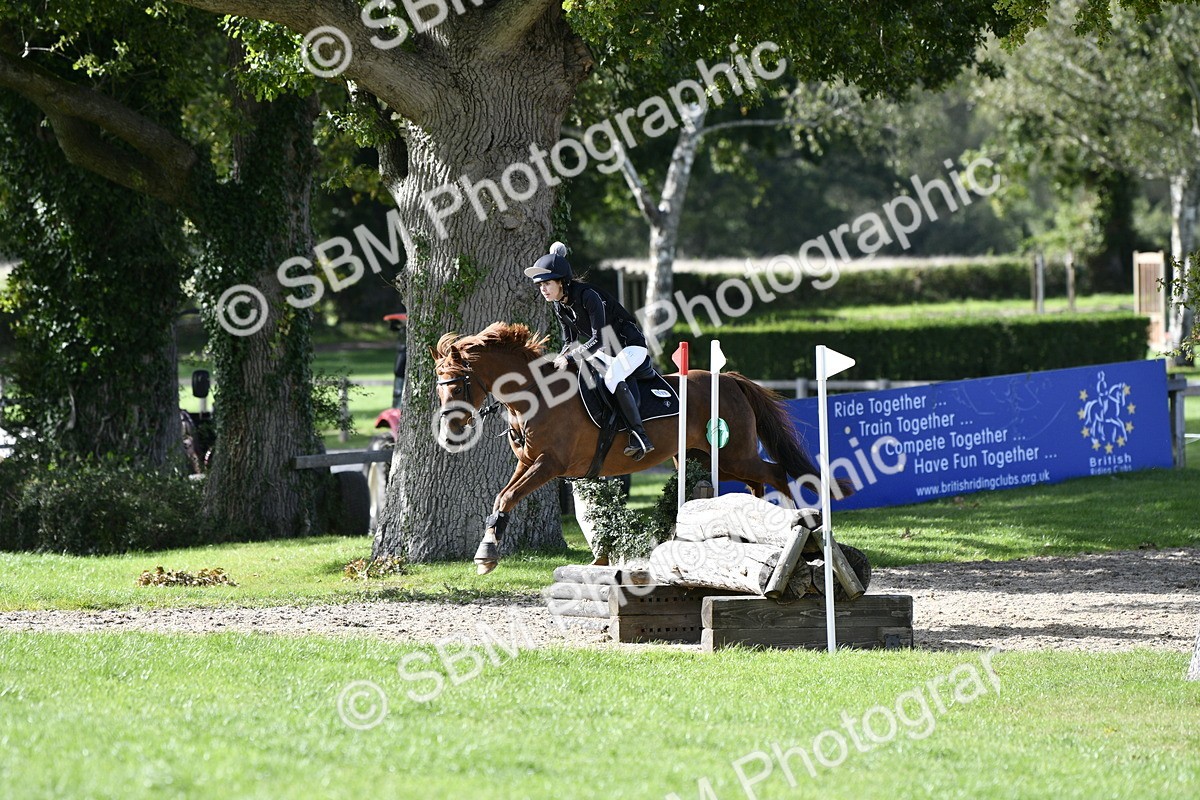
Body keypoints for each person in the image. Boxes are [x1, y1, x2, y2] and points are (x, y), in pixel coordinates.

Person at [525, 242, 657, 460]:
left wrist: (569, 357)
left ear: (562, 282)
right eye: (540, 286)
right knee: (579, 374)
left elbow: (599, 339)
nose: (543, 289)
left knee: (613, 377)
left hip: (630, 346)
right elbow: (570, 342)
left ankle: (639, 435)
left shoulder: (588, 296)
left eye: (547, 283)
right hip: (606, 350)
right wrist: (558, 359)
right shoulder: (559, 305)